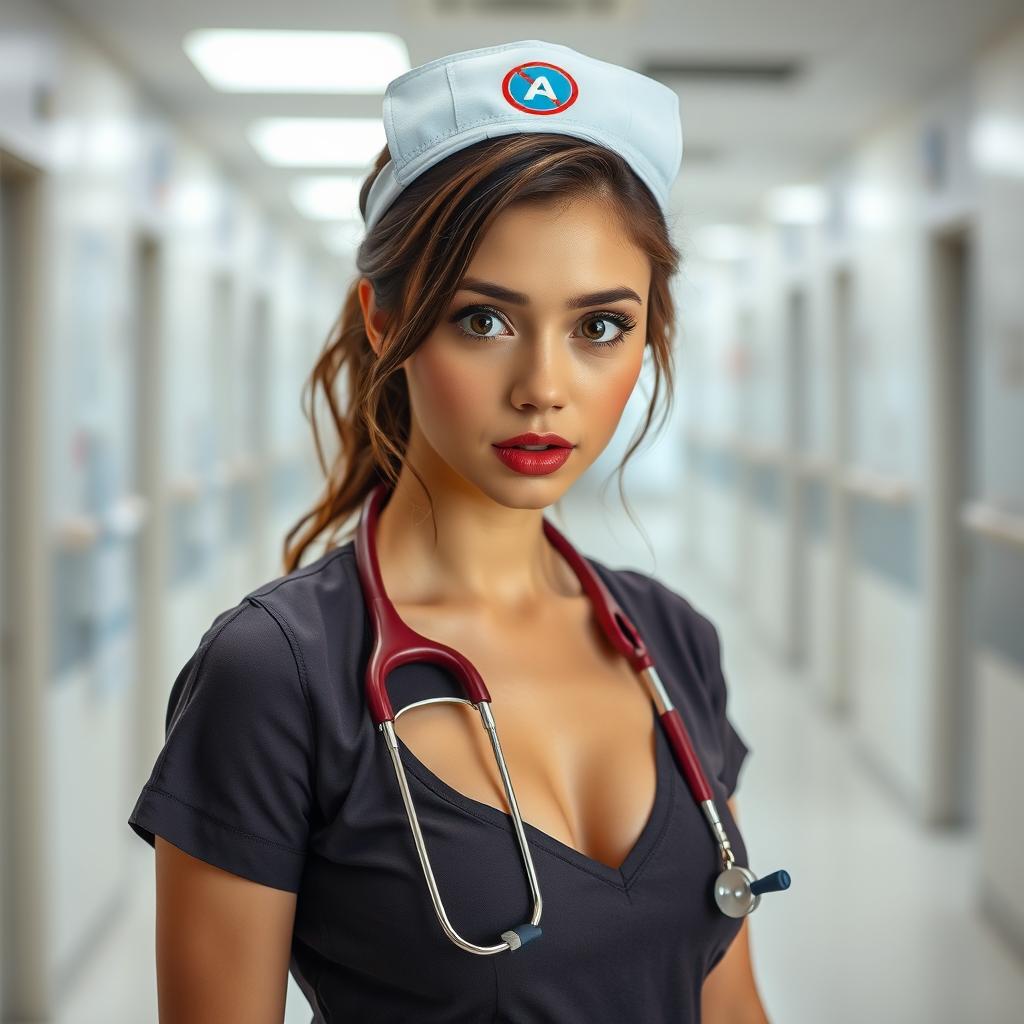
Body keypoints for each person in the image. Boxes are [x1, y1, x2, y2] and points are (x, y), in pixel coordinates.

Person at [128, 38, 771, 1023]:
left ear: (650, 332)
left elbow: (729, 1004)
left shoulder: (672, 638)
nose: (544, 390)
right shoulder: (280, 674)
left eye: (599, 325)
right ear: (383, 320)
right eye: (484, 320)